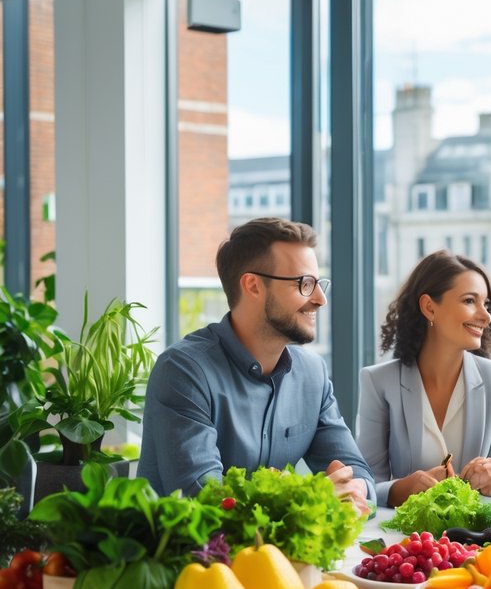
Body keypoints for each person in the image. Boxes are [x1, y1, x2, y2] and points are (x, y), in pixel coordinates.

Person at [140, 217, 373, 513]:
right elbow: (206, 501)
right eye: (305, 284)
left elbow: (356, 471)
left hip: (278, 556)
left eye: (318, 283)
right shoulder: (183, 372)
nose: (320, 299)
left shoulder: (313, 374)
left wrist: (353, 490)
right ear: (252, 285)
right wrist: (308, 496)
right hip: (188, 557)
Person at [357, 250, 491, 507]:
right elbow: (364, 485)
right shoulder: (378, 382)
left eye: (486, 304)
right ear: (429, 307)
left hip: (475, 537)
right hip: (406, 538)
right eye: (470, 301)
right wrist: (403, 488)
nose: (486, 315)